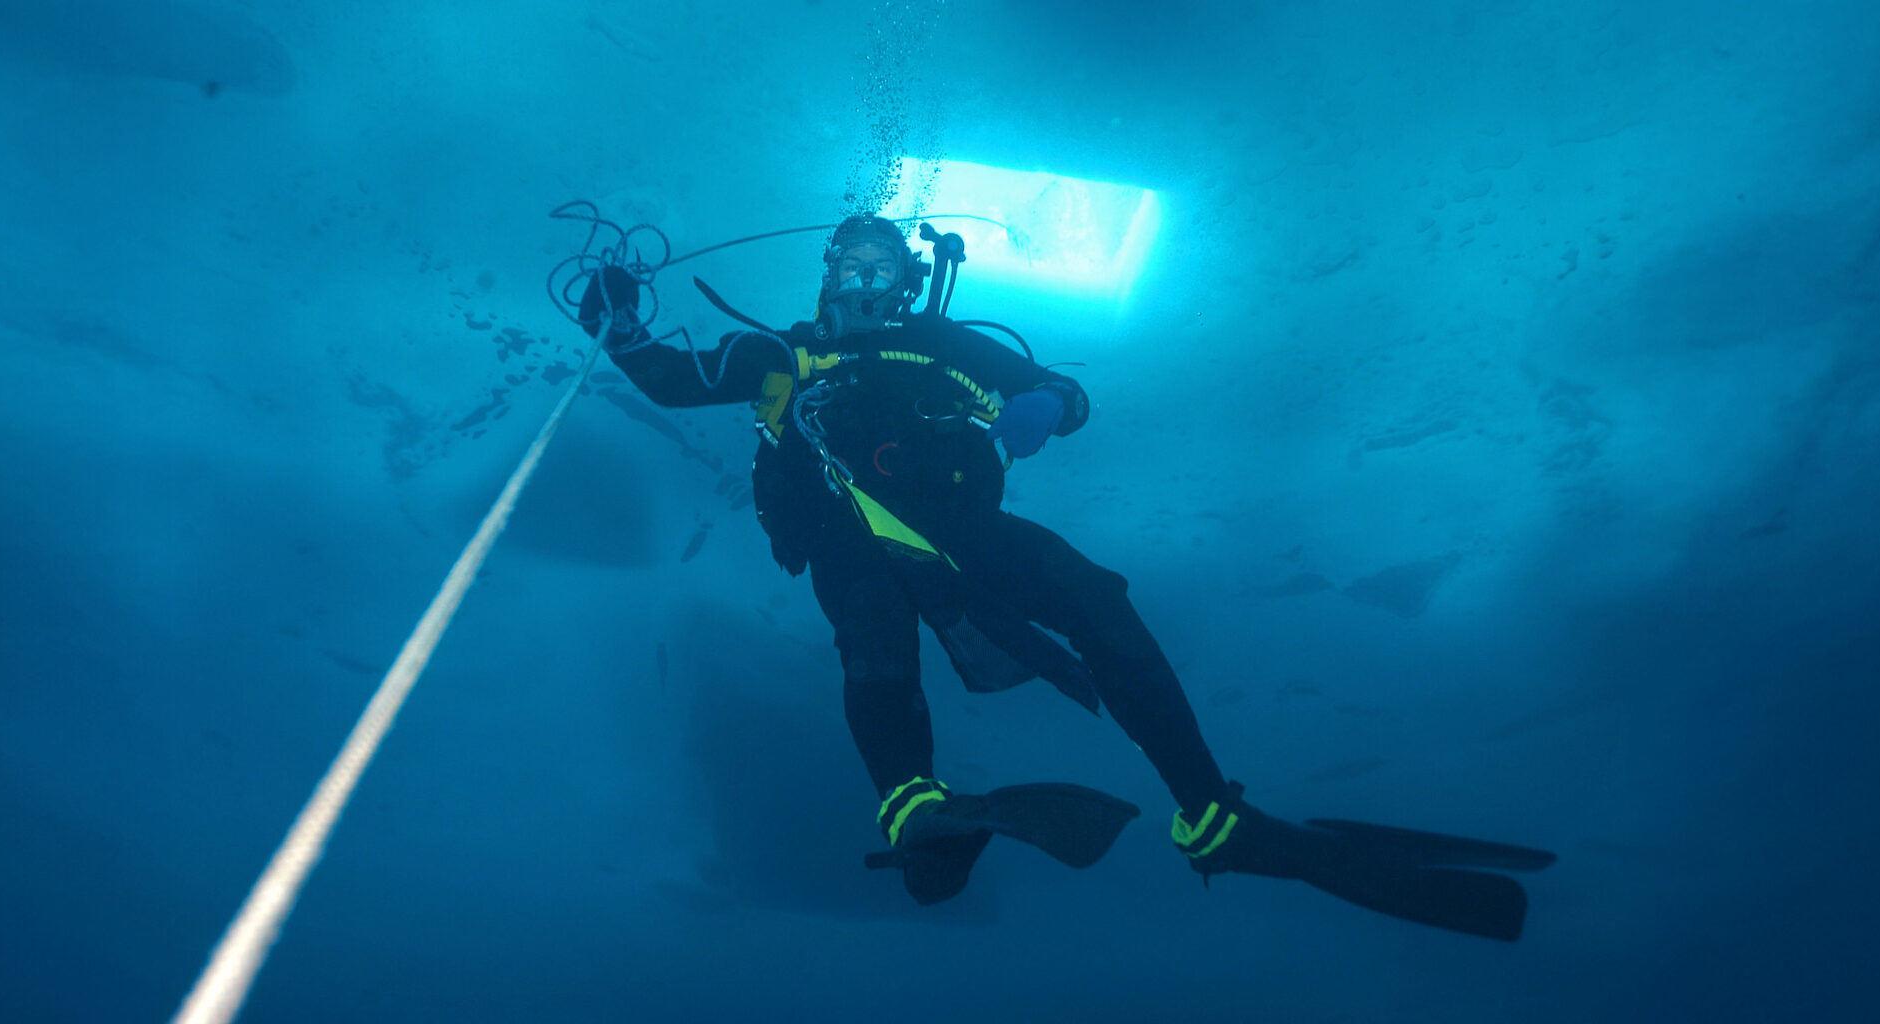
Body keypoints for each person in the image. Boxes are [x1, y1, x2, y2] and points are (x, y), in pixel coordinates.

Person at [579, 214, 1552, 939]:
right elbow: (671, 377)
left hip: (961, 522)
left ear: (910, 279)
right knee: (873, 642)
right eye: (849, 261)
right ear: (827, 269)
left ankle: (1214, 814)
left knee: (1095, 597)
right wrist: (617, 321)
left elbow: (1065, 391)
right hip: (848, 532)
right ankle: (918, 810)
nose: (864, 277)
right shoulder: (778, 350)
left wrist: (1045, 402)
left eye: (883, 265)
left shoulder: (945, 342)